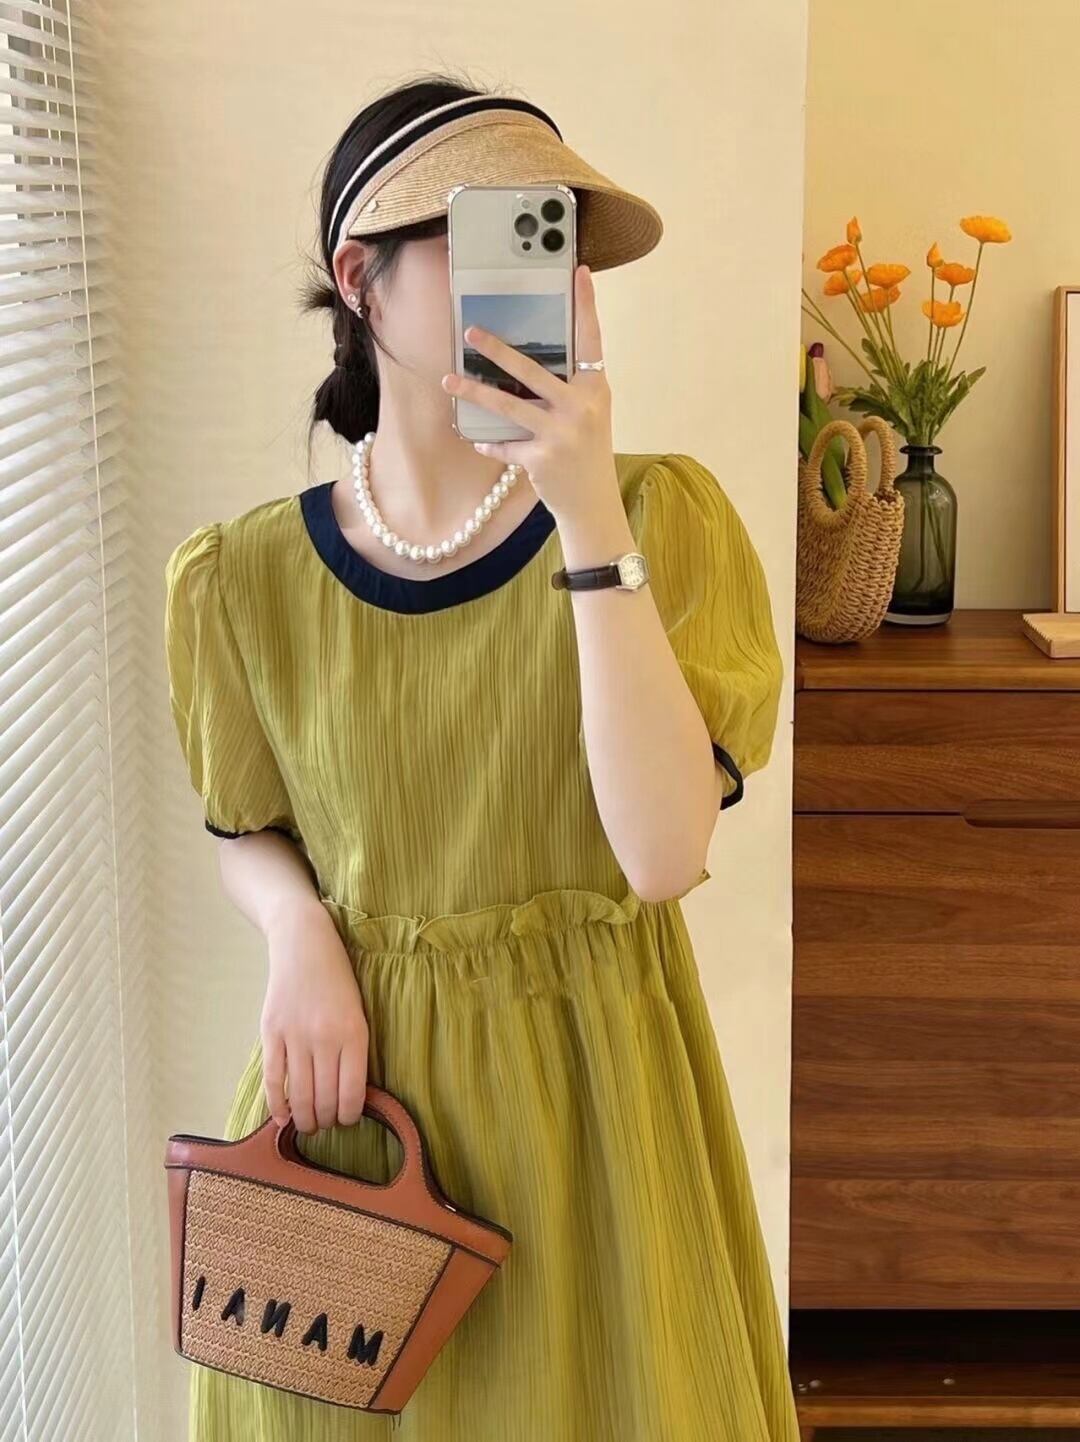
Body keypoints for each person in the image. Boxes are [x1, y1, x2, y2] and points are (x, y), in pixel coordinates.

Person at [164, 71, 800, 1442]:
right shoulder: (244, 579)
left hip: (599, 1122)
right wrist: (296, 928)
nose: (542, 274)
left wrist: (587, 517)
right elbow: (244, 823)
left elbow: (662, 852)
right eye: (490, 234)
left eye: (553, 238)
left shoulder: (657, 520)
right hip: (359, 1117)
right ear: (362, 281)